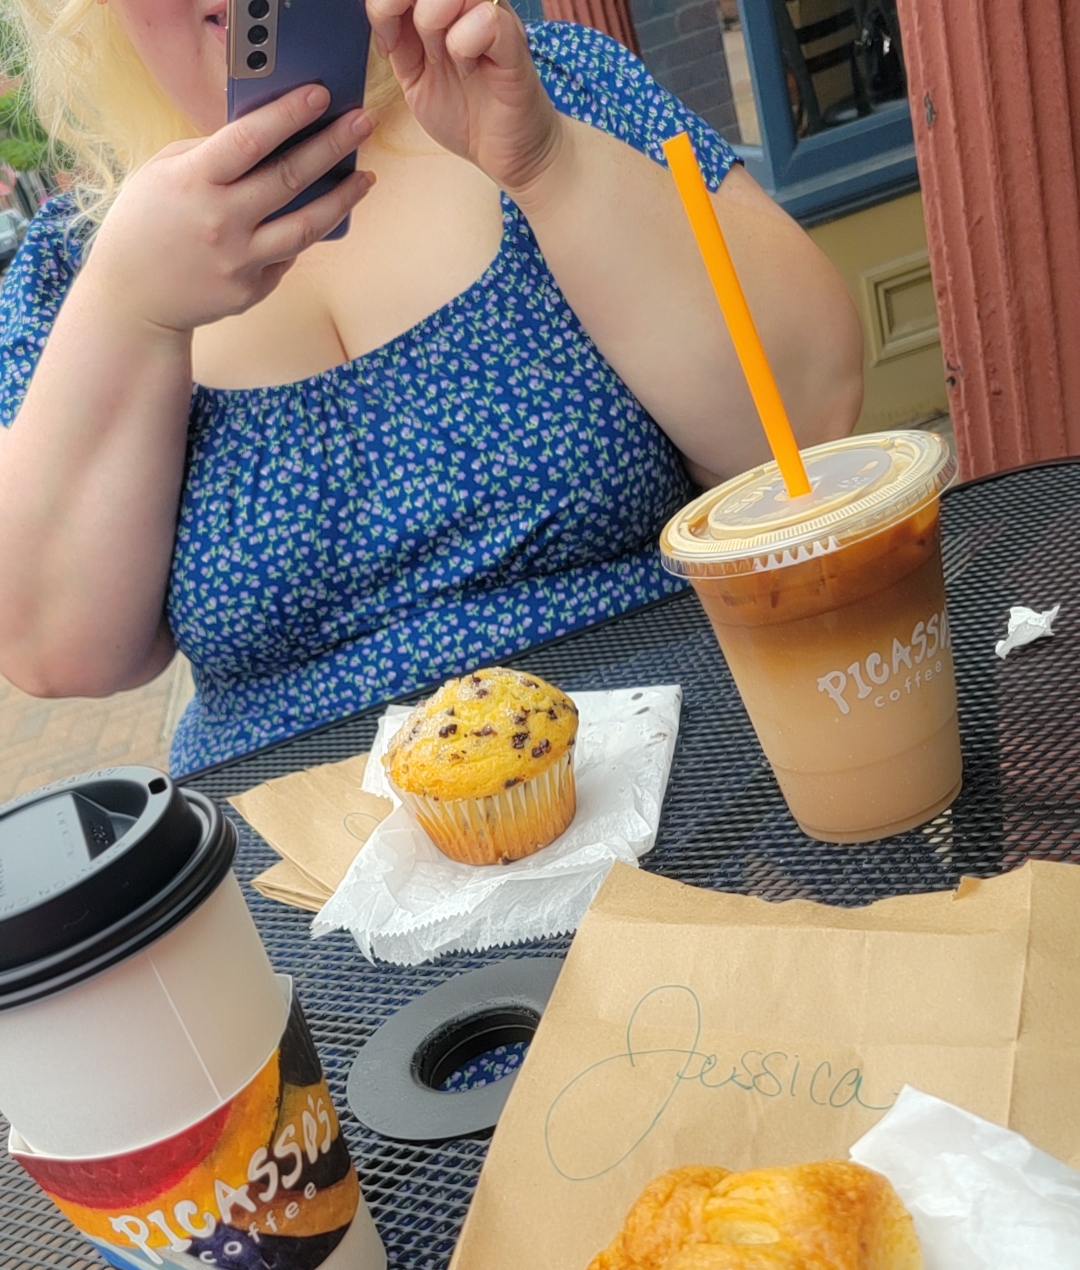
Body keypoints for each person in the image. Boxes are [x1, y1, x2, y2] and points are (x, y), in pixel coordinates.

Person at [0, 0, 863, 774]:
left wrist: (549, 162)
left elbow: (806, 423)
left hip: (686, 790)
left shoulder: (542, 84)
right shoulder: (72, 275)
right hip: (304, 876)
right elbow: (59, 653)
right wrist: (131, 312)